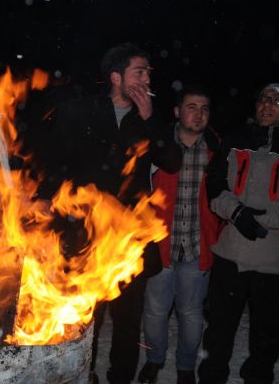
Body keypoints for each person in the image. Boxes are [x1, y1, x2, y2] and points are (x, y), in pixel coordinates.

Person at [46, 42, 181, 384]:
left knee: (127, 320)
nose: (147, 77)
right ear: (116, 77)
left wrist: (151, 118)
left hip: (130, 240)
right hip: (85, 235)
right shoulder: (80, 112)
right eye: (140, 71)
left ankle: (119, 377)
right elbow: (55, 166)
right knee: (83, 315)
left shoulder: (148, 119)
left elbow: (171, 161)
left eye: (149, 72)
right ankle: (82, 372)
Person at [198, 83, 279, 384]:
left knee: (265, 335)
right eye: (263, 99)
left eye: (276, 101)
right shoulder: (237, 139)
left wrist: (264, 218)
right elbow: (214, 182)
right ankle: (212, 378)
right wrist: (236, 212)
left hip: (272, 257)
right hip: (230, 253)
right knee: (219, 330)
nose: (267, 105)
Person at [137, 85, 220, 384]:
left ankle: (186, 366)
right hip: (160, 246)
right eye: (191, 106)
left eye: (204, 108)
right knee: (156, 311)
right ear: (176, 112)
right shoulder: (158, 147)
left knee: (190, 313)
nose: (198, 114)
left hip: (198, 246)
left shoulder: (216, 150)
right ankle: (154, 359)